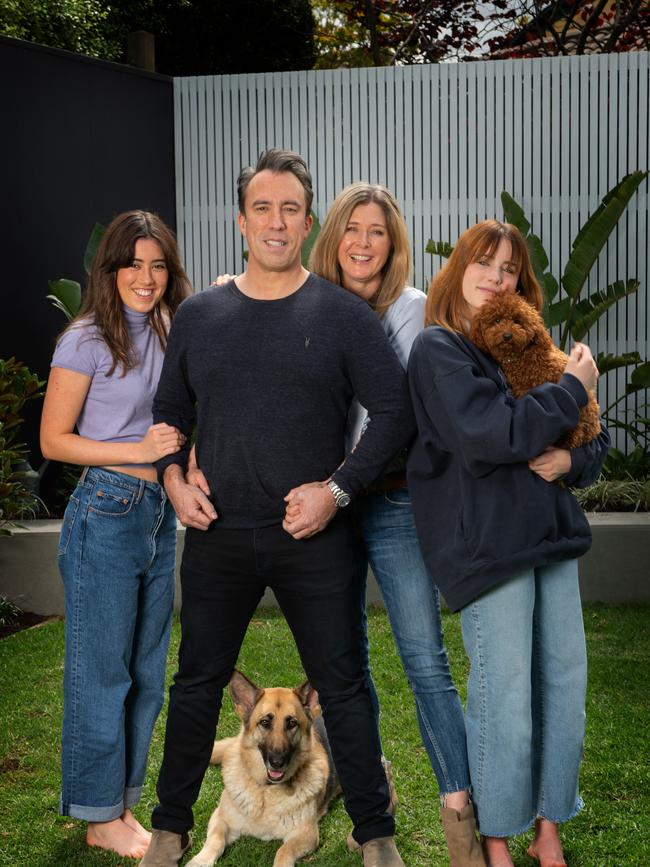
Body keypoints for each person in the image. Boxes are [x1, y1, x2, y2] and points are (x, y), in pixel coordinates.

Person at [141, 149, 414, 867]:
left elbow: (394, 412)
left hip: (314, 538)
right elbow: (169, 413)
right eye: (262, 207)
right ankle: (168, 832)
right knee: (197, 683)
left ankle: (377, 837)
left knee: (346, 686)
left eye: (290, 208)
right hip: (219, 537)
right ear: (241, 220)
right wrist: (174, 479)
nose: (276, 220)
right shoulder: (201, 315)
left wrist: (337, 490)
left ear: (306, 220)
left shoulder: (343, 315)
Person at [406, 220, 610, 867]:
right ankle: (496, 835)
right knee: (506, 688)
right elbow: (491, 434)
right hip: (488, 545)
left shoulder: (530, 344)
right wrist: (574, 386)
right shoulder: (438, 351)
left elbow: (588, 440)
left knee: (564, 681)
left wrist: (567, 466)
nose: (497, 278)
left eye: (510, 269)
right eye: (484, 263)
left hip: (549, 535)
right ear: (458, 269)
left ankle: (548, 825)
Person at [301, 182, 484, 866]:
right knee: (341, 665)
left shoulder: (414, 313)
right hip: (328, 504)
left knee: (424, 659)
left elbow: (410, 413)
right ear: (334, 238)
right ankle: (370, 795)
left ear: (393, 242)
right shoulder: (308, 305)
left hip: (394, 499)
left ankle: (463, 813)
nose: (363, 242)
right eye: (353, 228)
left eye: (377, 231)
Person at [40, 211, 192, 858]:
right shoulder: (84, 339)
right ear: (110, 269)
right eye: (133, 263)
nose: (146, 277)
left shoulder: (166, 327)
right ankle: (99, 815)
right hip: (105, 511)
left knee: (147, 672)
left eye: (157, 265)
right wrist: (138, 449)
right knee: (103, 672)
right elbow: (53, 440)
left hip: (159, 514)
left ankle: (120, 801)